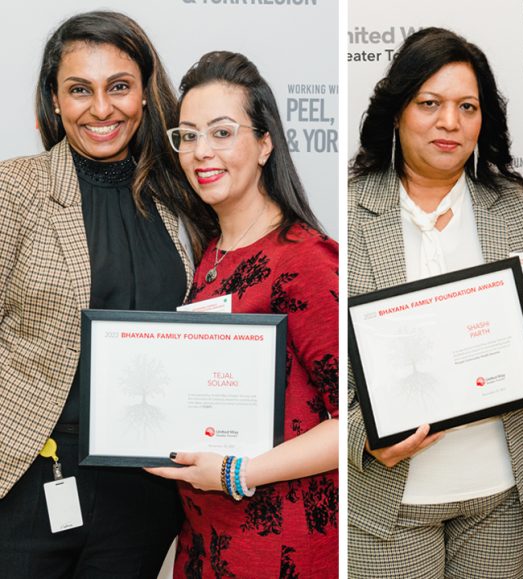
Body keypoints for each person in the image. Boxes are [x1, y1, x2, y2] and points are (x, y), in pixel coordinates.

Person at [0, 10, 207, 576]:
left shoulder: (185, 204)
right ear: (54, 98)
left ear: (145, 93)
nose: (100, 109)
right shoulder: (14, 189)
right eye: (78, 90)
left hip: (144, 494)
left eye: (119, 87)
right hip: (25, 481)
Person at [348, 27, 523, 579]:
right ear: (396, 111)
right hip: (388, 504)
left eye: (467, 106)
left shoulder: (519, 211)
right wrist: (360, 437)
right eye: (429, 104)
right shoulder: (345, 213)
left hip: (502, 500)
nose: (450, 123)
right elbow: (317, 359)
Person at [144, 51, 339, 577]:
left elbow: (355, 420)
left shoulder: (305, 257)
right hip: (206, 543)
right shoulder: (207, 256)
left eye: (222, 133)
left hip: (284, 547)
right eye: (186, 136)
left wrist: (237, 472)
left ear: (265, 143)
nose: (200, 152)